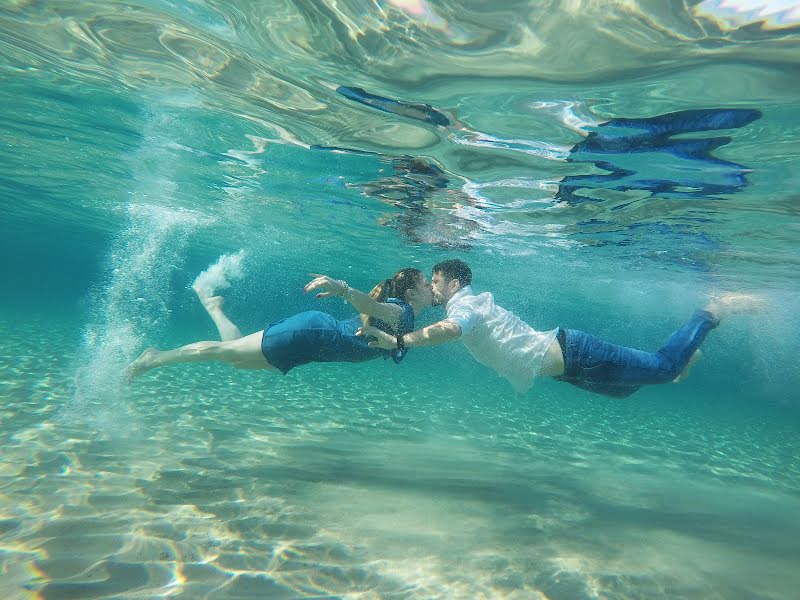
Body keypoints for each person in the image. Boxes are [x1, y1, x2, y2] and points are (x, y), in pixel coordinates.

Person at [359, 259, 760, 398]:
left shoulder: (464, 304)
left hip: (574, 354)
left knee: (664, 368)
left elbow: (450, 330)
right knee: (628, 389)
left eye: (435, 279)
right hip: (568, 369)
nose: (431, 286)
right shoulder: (465, 301)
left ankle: (711, 310)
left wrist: (399, 340)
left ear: (453, 282)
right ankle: (681, 361)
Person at [128, 268, 433, 379]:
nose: (431, 287)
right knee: (225, 352)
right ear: (410, 292)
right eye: (426, 283)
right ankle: (154, 358)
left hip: (313, 348)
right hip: (311, 334)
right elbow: (370, 305)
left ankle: (214, 307)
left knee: (234, 358)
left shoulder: (406, 317)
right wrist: (342, 289)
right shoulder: (402, 311)